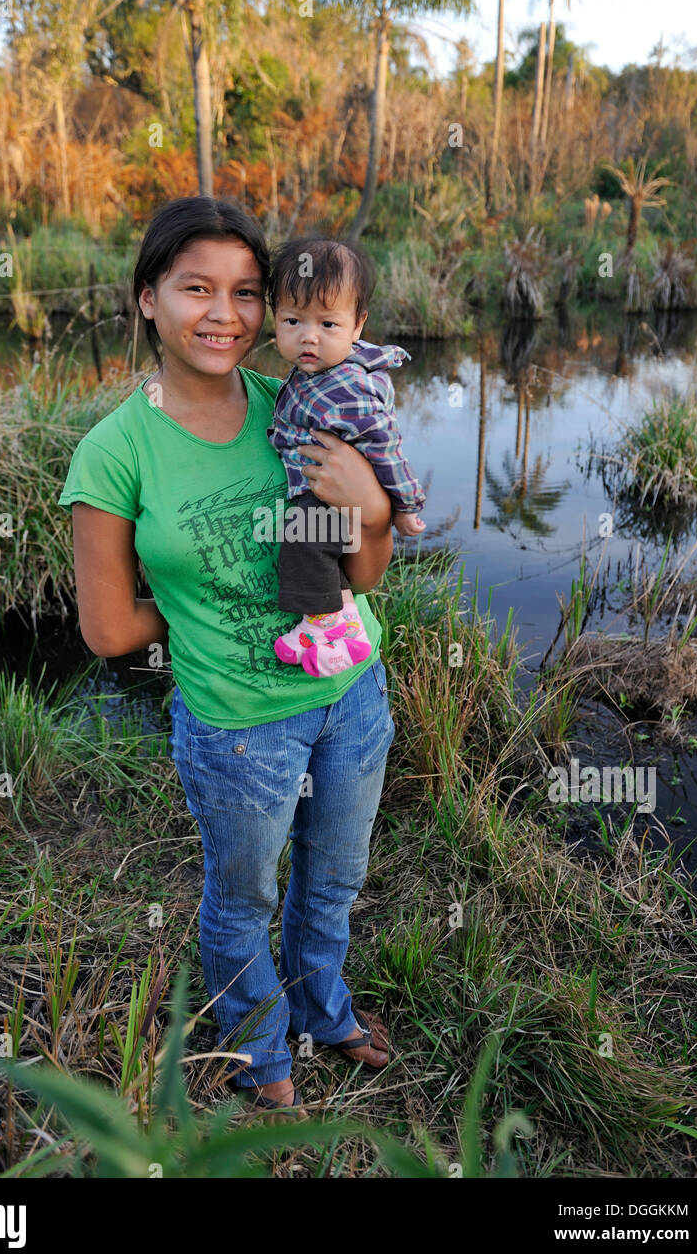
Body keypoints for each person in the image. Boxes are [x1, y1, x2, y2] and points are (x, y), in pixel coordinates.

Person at [57, 196, 397, 1118]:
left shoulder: (296, 403)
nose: (227, 314)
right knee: (243, 896)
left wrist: (367, 498)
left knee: (335, 877)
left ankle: (326, 1011)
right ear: (147, 300)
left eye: (248, 292)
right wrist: (199, 605)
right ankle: (255, 1042)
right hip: (239, 730)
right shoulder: (114, 455)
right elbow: (106, 631)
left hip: (352, 698)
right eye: (196, 288)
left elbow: (365, 569)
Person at [267, 236, 427, 677]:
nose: (308, 337)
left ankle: (331, 626)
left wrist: (405, 505)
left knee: (302, 539)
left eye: (328, 325)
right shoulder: (313, 374)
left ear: (358, 326)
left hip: (330, 494)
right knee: (308, 544)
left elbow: (385, 444)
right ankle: (330, 621)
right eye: (293, 321)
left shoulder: (346, 386)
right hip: (325, 487)